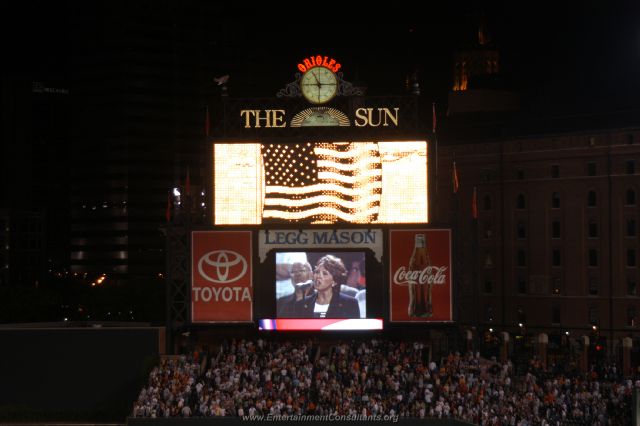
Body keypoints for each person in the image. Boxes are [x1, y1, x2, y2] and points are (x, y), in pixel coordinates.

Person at [294, 254, 360, 318]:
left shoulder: (349, 304)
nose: (318, 276)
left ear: (334, 281)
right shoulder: (302, 304)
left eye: (324, 273)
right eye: (317, 272)